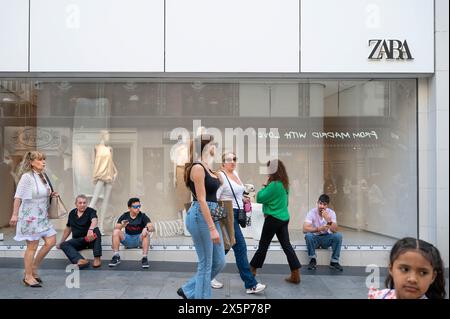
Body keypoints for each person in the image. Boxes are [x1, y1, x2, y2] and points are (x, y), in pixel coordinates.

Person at [177, 134, 226, 299]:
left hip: (211, 214)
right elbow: (202, 199)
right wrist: (212, 228)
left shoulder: (208, 168)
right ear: (206, 146)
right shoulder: (197, 168)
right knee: (206, 264)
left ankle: (188, 290)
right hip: (200, 215)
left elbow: (216, 192)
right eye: (214, 144)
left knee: (219, 262)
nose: (215, 147)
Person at [212, 152, 266, 294]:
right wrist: (217, 220)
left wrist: (243, 198)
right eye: (229, 159)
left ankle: (208, 274)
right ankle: (250, 284)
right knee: (240, 247)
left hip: (237, 213)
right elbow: (215, 197)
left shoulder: (235, 173)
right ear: (223, 162)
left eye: (234, 159)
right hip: (227, 214)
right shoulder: (221, 175)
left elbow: (236, 193)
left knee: (226, 247)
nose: (232, 162)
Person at [9, 151, 57, 287]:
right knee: (32, 246)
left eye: (44, 159)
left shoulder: (43, 175)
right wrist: (14, 214)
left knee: (51, 240)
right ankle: (28, 276)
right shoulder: (27, 177)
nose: (43, 162)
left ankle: (33, 268)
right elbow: (18, 197)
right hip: (30, 216)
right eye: (40, 160)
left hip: (42, 216)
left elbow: (43, 192)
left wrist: (51, 194)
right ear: (31, 162)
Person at [249, 159, 301, 284]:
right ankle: (295, 274)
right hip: (283, 218)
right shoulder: (284, 184)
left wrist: (265, 186)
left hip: (273, 219)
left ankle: (252, 271)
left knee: (263, 246)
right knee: (287, 246)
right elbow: (285, 202)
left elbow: (260, 198)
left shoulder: (274, 184)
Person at [368, 237, 446, 299]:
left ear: (432, 277)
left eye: (423, 273)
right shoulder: (380, 296)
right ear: (391, 268)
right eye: (405, 269)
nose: (412, 279)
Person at [57, 194, 102, 268]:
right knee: (63, 244)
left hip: (90, 239)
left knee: (96, 231)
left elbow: (94, 220)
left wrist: (91, 230)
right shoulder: (72, 213)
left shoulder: (91, 211)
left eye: (84, 203)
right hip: (79, 240)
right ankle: (81, 260)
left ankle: (97, 258)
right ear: (76, 204)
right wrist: (61, 241)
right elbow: (68, 228)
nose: (82, 205)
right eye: (80, 203)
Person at [109, 198, 154, 269]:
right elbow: (116, 228)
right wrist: (122, 225)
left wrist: (146, 228)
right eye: (135, 207)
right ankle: (116, 256)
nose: (138, 208)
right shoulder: (125, 216)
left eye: (139, 206)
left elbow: (152, 227)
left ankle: (144, 258)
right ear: (129, 208)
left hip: (139, 240)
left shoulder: (142, 216)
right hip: (128, 239)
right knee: (116, 231)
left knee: (146, 233)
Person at [303, 194, 343, 271]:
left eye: (324, 204)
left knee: (338, 236)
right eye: (320, 203)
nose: (321, 206)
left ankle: (334, 262)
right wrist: (318, 229)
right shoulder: (312, 212)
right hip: (315, 239)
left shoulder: (331, 213)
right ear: (317, 203)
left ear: (327, 206)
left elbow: (335, 230)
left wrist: (328, 220)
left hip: (326, 238)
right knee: (308, 235)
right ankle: (312, 260)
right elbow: (304, 229)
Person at [89, 130, 118, 234]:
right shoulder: (96, 148)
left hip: (109, 175)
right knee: (94, 200)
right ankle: (85, 224)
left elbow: (111, 162)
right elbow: (93, 162)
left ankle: (101, 227)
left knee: (105, 203)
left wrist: (115, 171)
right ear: (102, 136)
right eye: (107, 136)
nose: (108, 138)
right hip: (100, 175)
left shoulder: (110, 149)